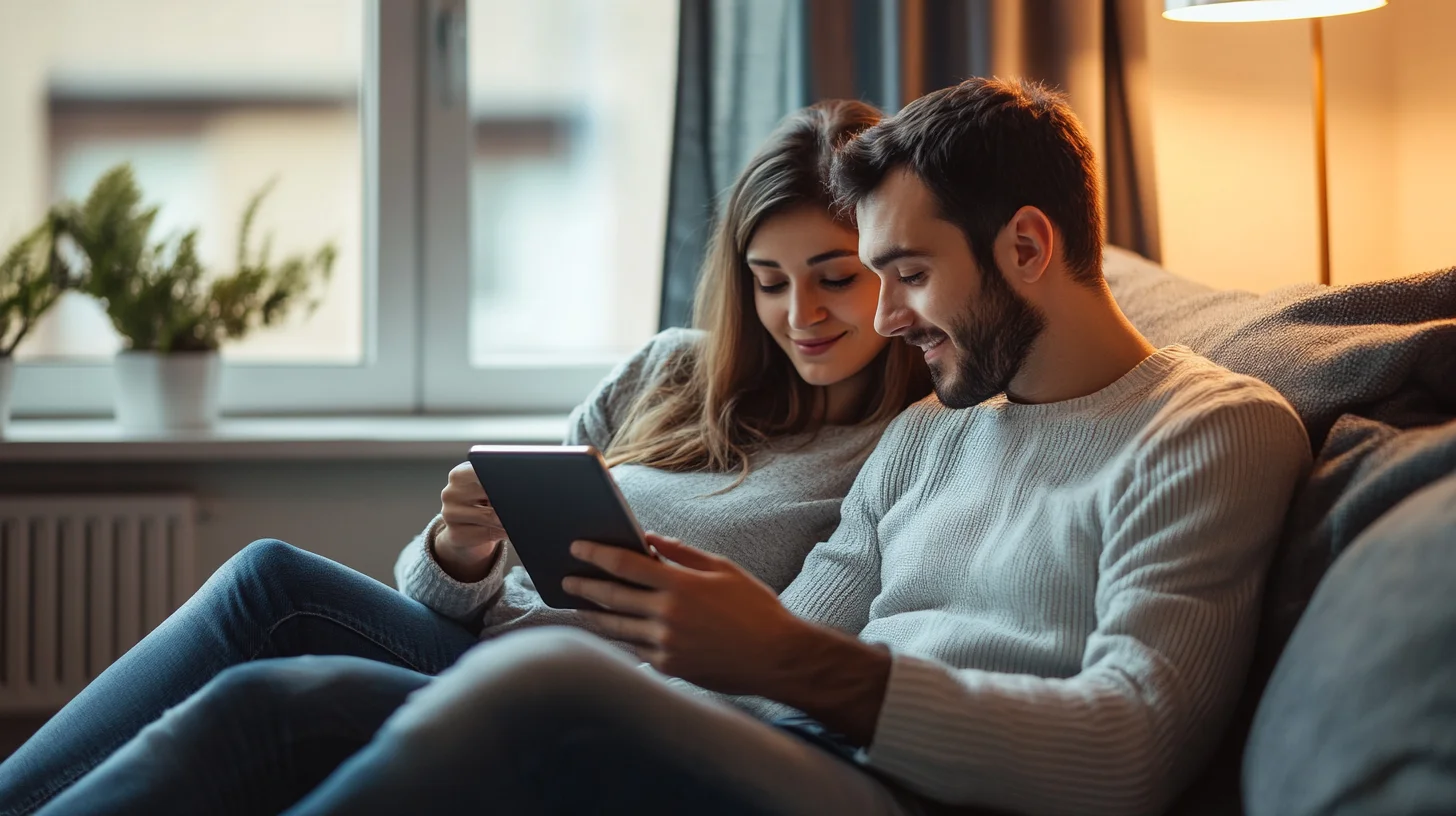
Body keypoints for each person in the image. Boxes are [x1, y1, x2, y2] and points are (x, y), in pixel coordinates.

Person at [26, 76, 1313, 816]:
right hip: (806, 744)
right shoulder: (935, 435)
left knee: (532, 687)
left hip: (911, 792)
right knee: (276, 692)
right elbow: (801, 638)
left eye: (902, 275)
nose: (886, 318)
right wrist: (727, 640)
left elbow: (1133, 742)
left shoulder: (1208, 433)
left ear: (1027, 249)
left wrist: (805, 669)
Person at [0, 99, 931, 816]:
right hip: (475, 642)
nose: (799, 316)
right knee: (269, 580)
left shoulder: (896, 449)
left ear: (892, 266)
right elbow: (431, 596)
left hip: (584, 702)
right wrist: (464, 547)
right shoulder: (670, 372)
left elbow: (793, 663)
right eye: (769, 284)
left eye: (834, 279)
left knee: (269, 695)